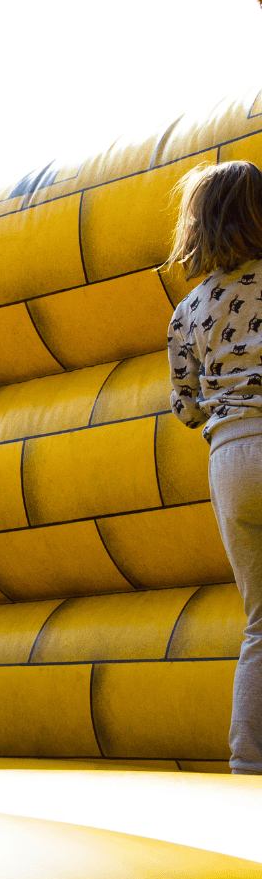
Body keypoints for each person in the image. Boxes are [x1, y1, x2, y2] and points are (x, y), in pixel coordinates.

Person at [167, 159, 262, 775]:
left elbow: (185, 407)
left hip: (232, 457)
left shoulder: (189, 310)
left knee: (260, 625)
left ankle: (248, 763)